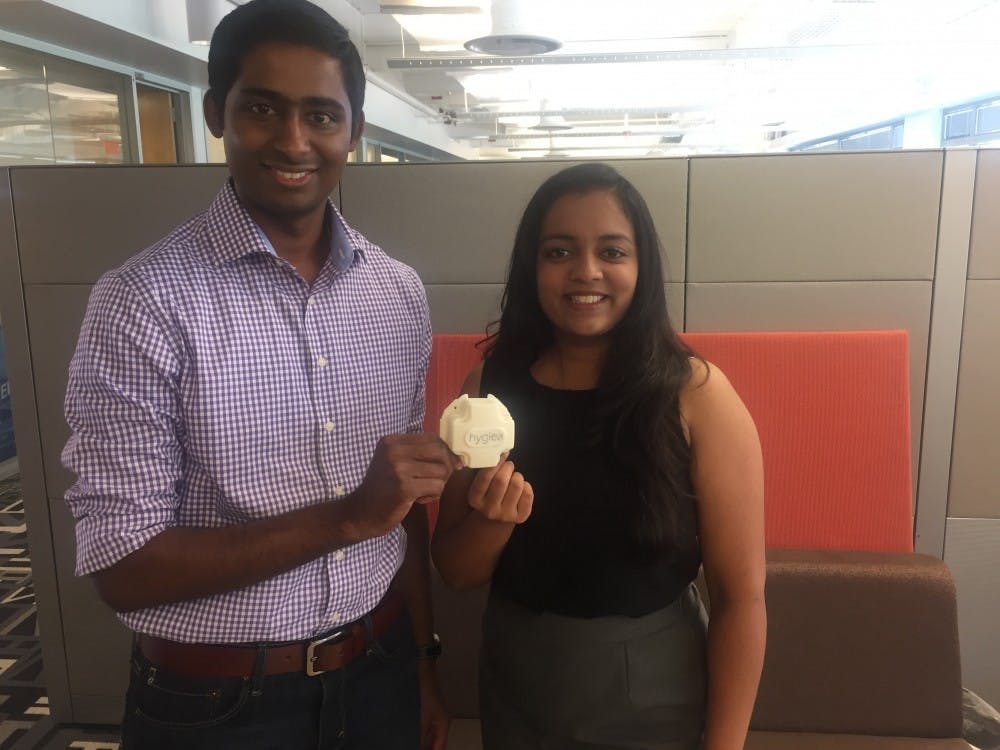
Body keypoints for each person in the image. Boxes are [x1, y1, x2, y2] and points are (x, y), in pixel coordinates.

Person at [61, 1, 459, 748]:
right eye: (262, 109)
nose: (293, 141)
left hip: (379, 669)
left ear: (356, 131)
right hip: (217, 704)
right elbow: (122, 564)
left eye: (321, 115)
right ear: (216, 113)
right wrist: (344, 517)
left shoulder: (397, 293)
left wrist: (422, 666)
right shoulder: (143, 301)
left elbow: (400, 511)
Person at [431, 163, 767, 750]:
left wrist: (727, 745)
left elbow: (742, 598)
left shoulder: (695, 394)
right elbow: (457, 571)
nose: (586, 272)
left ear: (642, 267)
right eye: (559, 251)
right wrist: (491, 521)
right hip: (516, 680)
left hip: (653, 686)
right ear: (532, 266)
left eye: (612, 251)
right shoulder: (488, 386)